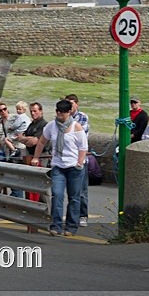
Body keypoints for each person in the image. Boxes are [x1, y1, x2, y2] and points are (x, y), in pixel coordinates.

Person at [31, 99, 88, 237]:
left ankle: (71, 226)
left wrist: (79, 162)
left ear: (69, 112)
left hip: (74, 167)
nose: (59, 115)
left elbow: (83, 147)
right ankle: (55, 225)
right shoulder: (51, 126)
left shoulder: (76, 127)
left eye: (62, 113)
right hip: (58, 166)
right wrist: (36, 157)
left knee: (74, 197)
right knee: (57, 195)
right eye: (58, 112)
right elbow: (42, 142)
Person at [65, 94, 90, 227]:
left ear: (77, 104)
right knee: (69, 191)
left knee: (81, 191)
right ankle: (71, 218)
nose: (69, 106)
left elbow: (81, 138)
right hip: (66, 159)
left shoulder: (82, 117)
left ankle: (83, 215)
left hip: (79, 159)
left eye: (72, 103)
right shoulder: (63, 117)